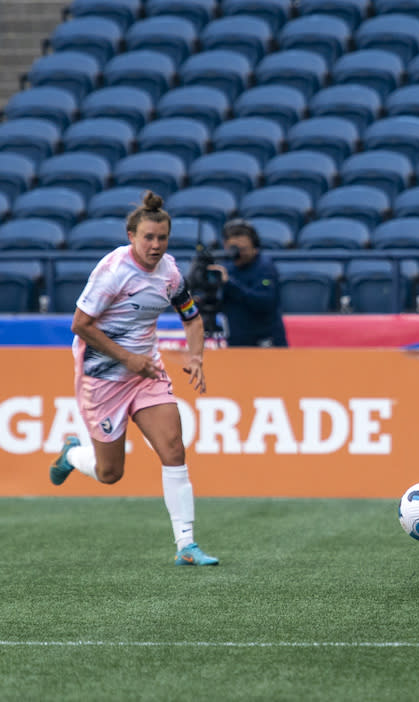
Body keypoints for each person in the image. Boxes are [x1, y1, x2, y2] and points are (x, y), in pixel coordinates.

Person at [49, 190, 219, 566]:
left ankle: (186, 545)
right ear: (132, 237)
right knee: (110, 473)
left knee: (173, 448)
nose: (156, 245)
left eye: (162, 238)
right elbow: (80, 325)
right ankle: (72, 454)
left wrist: (196, 356)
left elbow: (192, 317)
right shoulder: (112, 272)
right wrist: (128, 358)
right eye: (149, 238)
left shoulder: (171, 273)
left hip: (147, 373)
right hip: (102, 376)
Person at [205, 218, 288, 348]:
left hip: (265, 342)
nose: (237, 255)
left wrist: (230, 285)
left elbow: (265, 303)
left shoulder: (265, 267)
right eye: (233, 249)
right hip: (237, 342)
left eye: (242, 249)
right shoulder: (226, 267)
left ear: (254, 246)